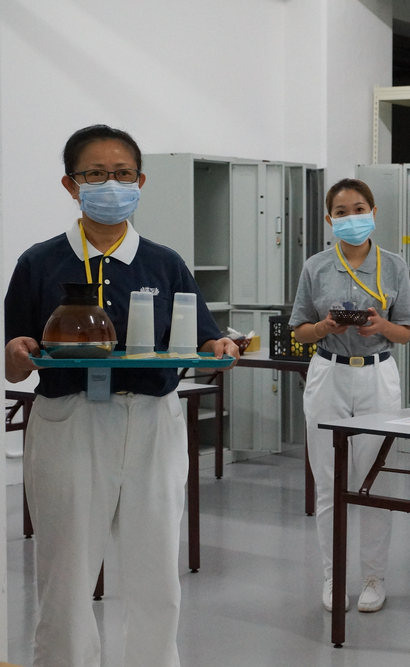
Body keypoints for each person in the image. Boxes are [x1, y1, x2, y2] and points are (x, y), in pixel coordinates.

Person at [4, 124, 240, 667]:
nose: (111, 184)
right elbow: (15, 360)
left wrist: (220, 343)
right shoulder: (38, 263)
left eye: (123, 174)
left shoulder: (164, 262)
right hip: (70, 422)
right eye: (96, 174)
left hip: (151, 421)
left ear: (141, 180)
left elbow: (203, 335)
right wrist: (16, 354)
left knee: (156, 575)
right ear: (70, 184)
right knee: (65, 578)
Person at [290, 178, 410, 615]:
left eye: (358, 208)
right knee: (328, 483)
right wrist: (326, 327)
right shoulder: (316, 267)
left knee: (376, 481)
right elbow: (300, 330)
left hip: (378, 375)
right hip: (329, 372)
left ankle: (373, 577)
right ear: (329, 220)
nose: (350, 218)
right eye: (341, 212)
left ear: (374, 211)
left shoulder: (394, 265)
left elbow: (406, 333)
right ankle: (332, 576)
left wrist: (380, 325)